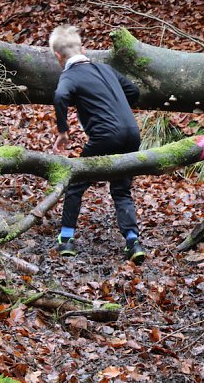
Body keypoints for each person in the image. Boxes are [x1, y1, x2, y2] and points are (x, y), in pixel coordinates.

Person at [49, 25, 146, 264]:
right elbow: (133, 91)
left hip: (105, 136)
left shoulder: (69, 76)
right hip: (132, 133)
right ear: (82, 48)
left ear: (58, 57)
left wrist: (63, 132)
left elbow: (60, 96)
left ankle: (67, 239)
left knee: (75, 184)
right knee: (121, 189)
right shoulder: (105, 69)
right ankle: (133, 242)